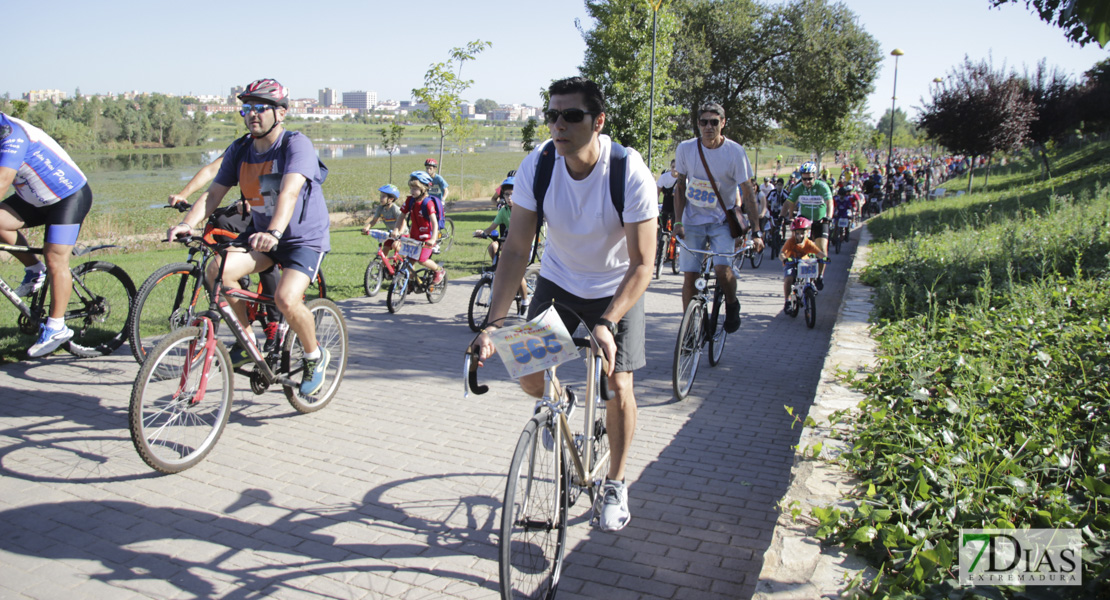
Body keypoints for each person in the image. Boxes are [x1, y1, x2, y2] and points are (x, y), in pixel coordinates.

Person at [470, 76, 657, 533]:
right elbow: (516, 250)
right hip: (559, 281)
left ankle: (614, 482)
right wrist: (494, 323)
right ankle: (563, 400)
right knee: (528, 372)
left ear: (598, 122)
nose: (559, 124)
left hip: (617, 288)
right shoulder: (539, 165)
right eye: (551, 115)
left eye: (571, 115)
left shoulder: (628, 171)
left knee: (618, 385)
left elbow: (644, 264)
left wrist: (609, 321)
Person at [165, 78, 332, 396]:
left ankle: (314, 355)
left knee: (285, 299)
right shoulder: (240, 149)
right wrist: (188, 223)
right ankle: (247, 341)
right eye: (247, 108)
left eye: (261, 108)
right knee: (216, 271)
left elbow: (289, 191)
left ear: (280, 113)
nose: (252, 114)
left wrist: (274, 232)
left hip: (301, 240)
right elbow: (214, 193)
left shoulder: (295, 145)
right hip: (263, 237)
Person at [0, 112, 93, 357]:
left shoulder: (11, 134)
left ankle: (57, 327)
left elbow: (2, 181)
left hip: (68, 196)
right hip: (33, 198)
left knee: (55, 257)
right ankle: (34, 270)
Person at [170, 151, 283, 352]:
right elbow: (210, 171)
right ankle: (238, 281)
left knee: (263, 247)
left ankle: (275, 321)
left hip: (271, 215)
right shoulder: (241, 147)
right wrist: (183, 195)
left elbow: (275, 191)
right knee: (220, 221)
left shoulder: (276, 148)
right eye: (247, 116)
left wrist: (253, 200)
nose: (253, 118)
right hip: (252, 208)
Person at [673, 102, 764, 332]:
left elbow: (747, 191)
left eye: (714, 122)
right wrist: (678, 221)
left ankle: (732, 304)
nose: (709, 127)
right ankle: (691, 329)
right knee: (690, 276)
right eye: (703, 122)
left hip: (722, 222)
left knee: (722, 269)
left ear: (723, 124)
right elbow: (680, 187)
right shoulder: (685, 149)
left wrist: (756, 229)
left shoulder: (735, 152)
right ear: (698, 124)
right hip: (693, 221)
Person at [473, 176, 530, 308]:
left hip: (524, 245)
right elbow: (492, 226)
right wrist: (483, 232)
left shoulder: (524, 210)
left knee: (516, 273)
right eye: (506, 194)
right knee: (493, 248)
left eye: (512, 194)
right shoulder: (504, 211)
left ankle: (525, 302)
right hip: (510, 244)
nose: (509, 198)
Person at [780, 161, 832, 289]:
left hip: (820, 220)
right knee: (797, 245)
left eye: (810, 178)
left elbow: (830, 202)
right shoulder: (798, 188)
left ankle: (819, 275)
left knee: (822, 248)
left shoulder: (822, 186)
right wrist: (787, 216)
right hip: (805, 221)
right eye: (804, 179)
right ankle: (795, 272)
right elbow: (789, 202)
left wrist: (828, 217)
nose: (807, 181)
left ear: (815, 176)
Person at [392, 171, 445, 284]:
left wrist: (433, 239)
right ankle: (412, 282)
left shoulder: (427, 203)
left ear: (424, 189)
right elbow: (401, 216)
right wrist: (396, 229)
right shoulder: (410, 200)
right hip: (414, 237)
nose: (412, 191)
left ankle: (439, 270)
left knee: (422, 260)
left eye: (415, 188)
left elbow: (434, 223)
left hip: (427, 239)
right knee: (409, 262)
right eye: (411, 188)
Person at [779, 216, 828, 312]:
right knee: (788, 279)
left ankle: (811, 285)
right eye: (797, 233)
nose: (800, 236)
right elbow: (782, 253)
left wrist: (825, 258)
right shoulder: (790, 242)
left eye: (802, 233)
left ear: (807, 233)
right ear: (794, 233)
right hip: (792, 262)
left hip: (804, 263)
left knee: (813, 270)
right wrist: (784, 259)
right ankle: (787, 301)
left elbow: (818, 252)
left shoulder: (808, 243)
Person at [362, 183, 405, 260]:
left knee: (395, 246)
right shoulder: (380, 208)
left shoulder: (394, 209)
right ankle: (382, 270)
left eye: (383, 196)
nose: (381, 198)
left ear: (391, 199)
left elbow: (403, 222)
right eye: (380, 196)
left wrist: (400, 233)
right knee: (384, 251)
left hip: (402, 234)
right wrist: (367, 227)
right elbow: (374, 220)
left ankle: (406, 260)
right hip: (391, 234)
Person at [656, 159, 678, 229]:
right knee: (663, 224)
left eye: (676, 167)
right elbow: (657, 192)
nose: (674, 169)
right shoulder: (664, 177)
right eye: (673, 167)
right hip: (666, 203)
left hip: (677, 205)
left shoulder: (683, 178)